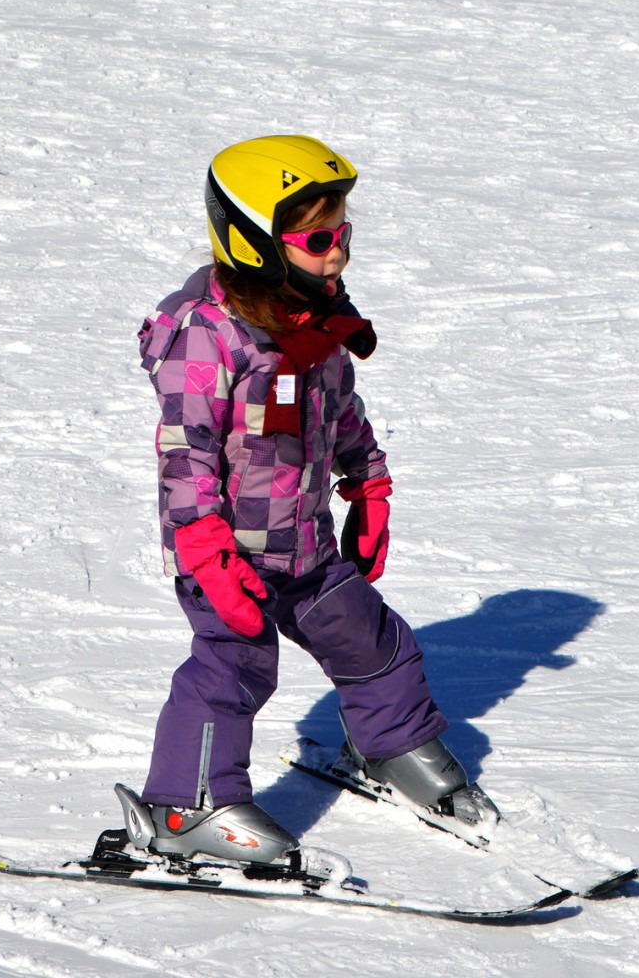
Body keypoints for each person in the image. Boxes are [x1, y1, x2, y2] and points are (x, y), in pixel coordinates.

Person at [118, 135, 495, 866]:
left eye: (342, 234)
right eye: (318, 239)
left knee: (374, 643)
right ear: (255, 240)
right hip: (229, 553)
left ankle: (395, 747)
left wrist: (369, 480)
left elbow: (337, 407)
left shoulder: (309, 318)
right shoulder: (207, 337)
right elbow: (184, 455)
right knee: (233, 670)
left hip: (305, 543)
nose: (338, 256)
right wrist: (203, 548)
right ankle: (183, 808)